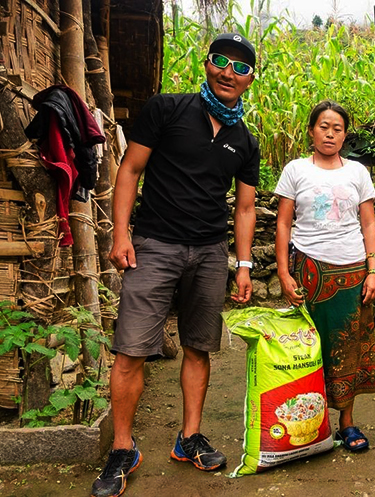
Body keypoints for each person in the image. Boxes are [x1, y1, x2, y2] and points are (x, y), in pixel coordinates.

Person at [91, 33, 260, 497]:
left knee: (198, 347)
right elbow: (129, 170)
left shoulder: (245, 141)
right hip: (154, 245)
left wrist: (242, 264)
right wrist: (121, 234)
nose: (229, 71)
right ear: (207, 65)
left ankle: (189, 438)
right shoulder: (167, 109)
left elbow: (244, 209)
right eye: (221, 61)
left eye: (241, 66)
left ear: (250, 79)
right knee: (130, 350)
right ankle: (123, 449)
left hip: (208, 252)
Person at [275, 100, 375, 452]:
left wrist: (374, 271)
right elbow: (284, 223)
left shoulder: (357, 173)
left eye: (337, 128)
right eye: (323, 126)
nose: (330, 133)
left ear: (345, 134)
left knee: (349, 347)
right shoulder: (295, 170)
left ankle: (347, 424)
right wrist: (283, 272)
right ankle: (309, 426)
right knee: (308, 347)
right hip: (309, 270)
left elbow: (368, 223)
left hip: (353, 270)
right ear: (311, 130)